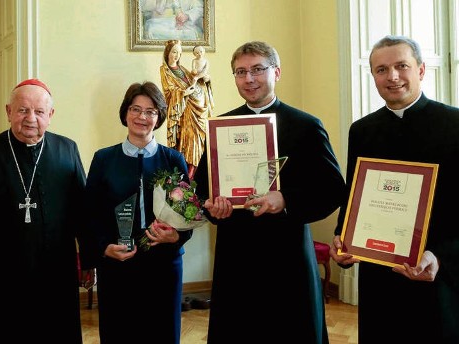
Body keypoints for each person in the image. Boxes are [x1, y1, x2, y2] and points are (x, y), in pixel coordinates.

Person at [195, 41, 345, 343]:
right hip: (236, 253)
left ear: (276, 72)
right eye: (240, 72)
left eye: (257, 70)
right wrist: (213, 207)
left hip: (286, 254)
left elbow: (332, 189)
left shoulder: (305, 126)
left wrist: (286, 198)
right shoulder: (221, 126)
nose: (249, 79)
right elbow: (201, 188)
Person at [331, 35, 459, 343]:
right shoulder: (362, 130)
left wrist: (439, 257)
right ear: (373, 75)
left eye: (402, 66)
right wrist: (343, 236)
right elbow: (354, 194)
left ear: (421, 70)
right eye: (381, 69)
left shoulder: (454, 124)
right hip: (379, 277)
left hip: (437, 273)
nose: (392, 77)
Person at [0, 78, 94, 343]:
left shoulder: (67, 149)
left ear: (50, 115)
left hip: (56, 279)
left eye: (39, 111)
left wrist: (88, 260)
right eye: (22, 110)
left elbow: (81, 212)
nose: (31, 118)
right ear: (9, 112)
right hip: (0, 281)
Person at [81, 81, 192, 344]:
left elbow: (187, 214)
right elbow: (90, 213)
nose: (142, 117)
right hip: (118, 263)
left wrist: (176, 237)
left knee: (162, 333)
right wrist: (103, 248)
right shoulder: (104, 159)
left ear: (159, 117)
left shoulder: (173, 159)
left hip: (164, 264)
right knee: (119, 333)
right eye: (135, 109)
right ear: (125, 113)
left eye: (150, 111)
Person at [160, 39, 213, 179]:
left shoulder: (183, 69)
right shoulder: (165, 70)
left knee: (199, 142)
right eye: (174, 52)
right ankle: (187, 178)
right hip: (185, 112)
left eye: (179, 52)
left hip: (198, 109)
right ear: (168, 52)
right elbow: (169, 90)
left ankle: (197, 177)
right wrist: (183, 93)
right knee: (188, 141)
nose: (177, 55)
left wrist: (205, 80)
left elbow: (195, 80)